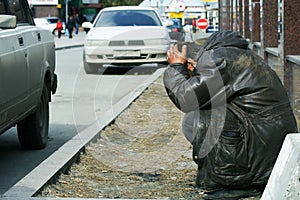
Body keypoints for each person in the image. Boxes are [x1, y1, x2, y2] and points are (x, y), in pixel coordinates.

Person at [163, 30, 298, 199]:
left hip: (260, 144)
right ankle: (241, 177)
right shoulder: (236, 56)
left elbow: (187, 98)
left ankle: (237, 180)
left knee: (197, 119)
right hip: (266, 140)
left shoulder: (221, 59)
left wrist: (176, 67)